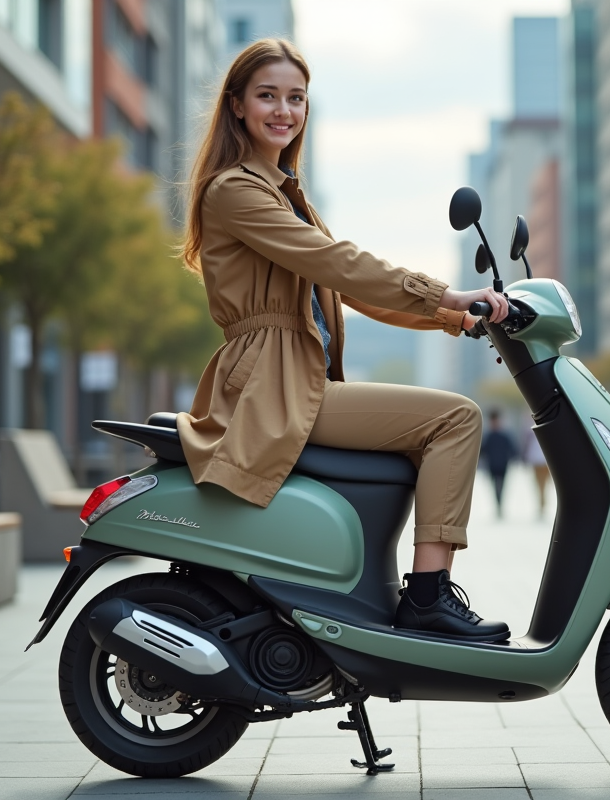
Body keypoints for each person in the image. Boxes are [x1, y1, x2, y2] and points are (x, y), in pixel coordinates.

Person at [177, 40, 510, 641]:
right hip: (271, 386)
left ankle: (369, 597)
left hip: (294, 380)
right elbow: (338, 263)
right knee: (456, 419)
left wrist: (453, 316)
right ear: (237, 107)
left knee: (432, 432)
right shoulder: (236, 191)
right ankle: (428, 599)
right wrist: (445, 294)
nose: (284, 110)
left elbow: (353, 292)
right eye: (268, 96)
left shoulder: (284, 193)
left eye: (296, 98)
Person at [480, 410, 517, 518]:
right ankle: (497, 504)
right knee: (494, 486)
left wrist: (513, 459)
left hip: (503, 464)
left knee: (502, 485)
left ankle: (500, 504)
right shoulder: (488, 436)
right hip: (491, 465)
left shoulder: (504, 435)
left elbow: (512, 449)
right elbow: (483, 450)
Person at [524, 425, 550, 519]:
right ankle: (541, 503)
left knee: (543, 484)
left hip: (544, 462)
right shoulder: (530, 432)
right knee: (539, 484)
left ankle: (542, 503)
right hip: (536, 462)